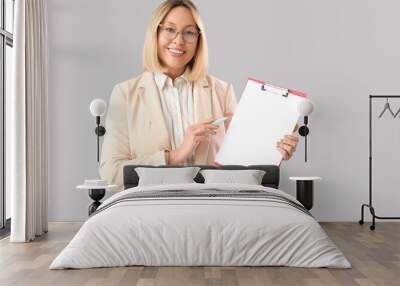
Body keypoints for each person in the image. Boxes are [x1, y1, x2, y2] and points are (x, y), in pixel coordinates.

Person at [99, 0, 299, 187]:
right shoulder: (125, 94)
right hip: (151, 204)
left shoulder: (222, 90)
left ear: (198, 40)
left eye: (189, 33)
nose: (179, 41)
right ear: (155, 34)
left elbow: (243, 162)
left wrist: (274, 150)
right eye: (170, 29)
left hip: (213, 201)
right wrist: (175, 156)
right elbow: (111, 172)